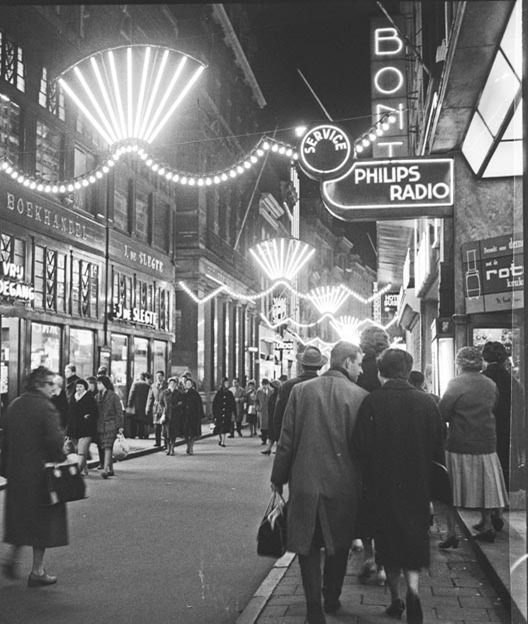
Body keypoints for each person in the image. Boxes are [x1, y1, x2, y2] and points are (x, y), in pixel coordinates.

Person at [271, 341, 367, 623]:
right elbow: (362, 448)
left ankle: (314, 608)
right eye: (359, 363)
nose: (361, 370)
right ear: (347, 363)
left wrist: (278, 478)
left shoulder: (300, 392)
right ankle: (332, 597)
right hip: (344, 484)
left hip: (305, 482)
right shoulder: (360, 396)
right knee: (339, 543)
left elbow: (286, 441)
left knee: (308, 547)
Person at [355, 349, 445, 624]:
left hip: (383, 483)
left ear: (381, 372)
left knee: (388, 540)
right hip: (418, 482)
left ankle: (396, 599)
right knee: (414, 537)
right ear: (408, 371)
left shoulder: (372, 401)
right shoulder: (427, 402)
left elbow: (360, 446)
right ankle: (414, 591)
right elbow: (437, 444)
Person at [1, 367, 67, 587]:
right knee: (44, 522)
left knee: (20, 518)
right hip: (41, 475)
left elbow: (5, 440)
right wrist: (61, 456)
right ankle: (37, 571)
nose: (54, 390)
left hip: (17, 473)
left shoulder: (14, 405)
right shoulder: (45, 407)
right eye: (50, 384)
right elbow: (54, 441)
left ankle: (10, 555)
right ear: (39, 384)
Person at [438, 346, 508, 546]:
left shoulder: (455, 384)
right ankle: (486, 524)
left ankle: (452, 534)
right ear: (480, 362)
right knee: (485, 485)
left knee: (451, 490)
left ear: (459, 363)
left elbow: (442, 412)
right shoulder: (490, 384)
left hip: (460, 442)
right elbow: (493, 406)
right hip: (486, 442)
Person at [355, 324, 391, 585]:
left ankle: (369, 555)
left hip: (362, 445)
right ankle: (385, 558)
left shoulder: (358, 370)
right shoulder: (390, 367)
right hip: (389, 443)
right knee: (387, 504)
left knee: (365, 503)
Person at [482, 341, 524, 494]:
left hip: (486, 430)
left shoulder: (481, 380)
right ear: (505, 358)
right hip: (508, 430)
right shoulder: (513, 382)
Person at [272, 346, 327, 443]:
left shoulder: (287, 386)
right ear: (320, 366)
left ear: (301, 365)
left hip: (291, 439)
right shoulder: (325, 386)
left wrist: (279, 438)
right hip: (318, 440)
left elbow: (278, 416)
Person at [66, 378, 98, 476]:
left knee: (81, 449)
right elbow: (69, 413)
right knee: (79, 450)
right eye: (77, 387)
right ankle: (85, 469)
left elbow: (95, 412)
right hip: (74, 429)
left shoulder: (89, 398)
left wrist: (89, 416)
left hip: (86, 428)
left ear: (85, 388)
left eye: (80, 386)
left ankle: (78, 470)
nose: (78, 389)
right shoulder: (73, 398)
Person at [96, 375, 124, 479]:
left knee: (107, 447)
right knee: (106, 448)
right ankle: (111, 469)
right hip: (100, 426)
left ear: (105, 384)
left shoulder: (113, 396)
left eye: (99, 383)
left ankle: (105, 469)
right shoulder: (97, 396)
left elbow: (119, 412)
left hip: (111, 425)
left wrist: (120, 426)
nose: (98, 385)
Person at [180, 377, 204, 455]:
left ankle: (191, 447)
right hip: (185, 417)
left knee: (192, 433)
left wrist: (200, 415)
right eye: (187, 384)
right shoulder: (183, 394)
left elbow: (199, 405)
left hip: (194, 416)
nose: (188, 385)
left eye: (190, 384)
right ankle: (188, 445)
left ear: (192, 385)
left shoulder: (195, 394)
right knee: (186, 433)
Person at [160, 377, 182, 456]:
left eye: (174, 383)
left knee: (173, 433)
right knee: (166, 433)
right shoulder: (164, 393)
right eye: (171, 383)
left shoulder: (178, 393)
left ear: (176, 384)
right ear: (169, 384)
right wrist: (164, 410)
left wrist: (173, 407)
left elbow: (180, 404)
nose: (172, 385)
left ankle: (172, 448)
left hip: (175, 416)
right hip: (166, 416)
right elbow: (161, 402)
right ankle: (168, 447)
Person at [146, 371, 168, 448]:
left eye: (160, 376)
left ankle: (166, 443)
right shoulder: (153, 386)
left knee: (164, 426)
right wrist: (147, 407)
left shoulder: (167, 385)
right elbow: (150, 397)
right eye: (157, 376)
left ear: (163, 377)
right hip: (156, 408)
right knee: (156, 425)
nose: (158, 378)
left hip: (164, 408)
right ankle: (157, 442)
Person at [212, 377, 236, 447]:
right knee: (220, 427)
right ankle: (221, 439)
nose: (227, 384)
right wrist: (214, 414)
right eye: (226, 383)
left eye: (228, 383)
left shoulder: (229, 393)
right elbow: (215, 404)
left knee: (224, 428)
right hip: (219, 413)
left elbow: (233, 403)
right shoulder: (219, 393)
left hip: (227, 413)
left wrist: (234, 412)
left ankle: (223, 441)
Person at [127, 372, 151, 439]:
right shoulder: (148, 385)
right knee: (142, 422)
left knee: (134, 421)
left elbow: (131, 394)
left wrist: (129, 404)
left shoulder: (135, 384)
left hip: (135, 405)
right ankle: (141, 435)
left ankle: (133, 435)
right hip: (144, 406)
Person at [261, 379, 281, 455]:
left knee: (276, 432)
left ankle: (276, 448)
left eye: (272, 386)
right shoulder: (273, 395)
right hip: (272, 416)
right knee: (272, 433)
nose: (270, 388)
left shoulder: (278, 396)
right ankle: (269, 448)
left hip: (276, 416)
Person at [256, 378, 273, 446]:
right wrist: (257, 406)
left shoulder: (272, 391)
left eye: (266, 384)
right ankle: (264, 440)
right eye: (263, 385)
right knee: (263, 426)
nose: (265, 386)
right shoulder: (259, 391)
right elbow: (256, 400)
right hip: (262, 411)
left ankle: (269, 439)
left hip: (269, 410)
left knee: (269, 425)